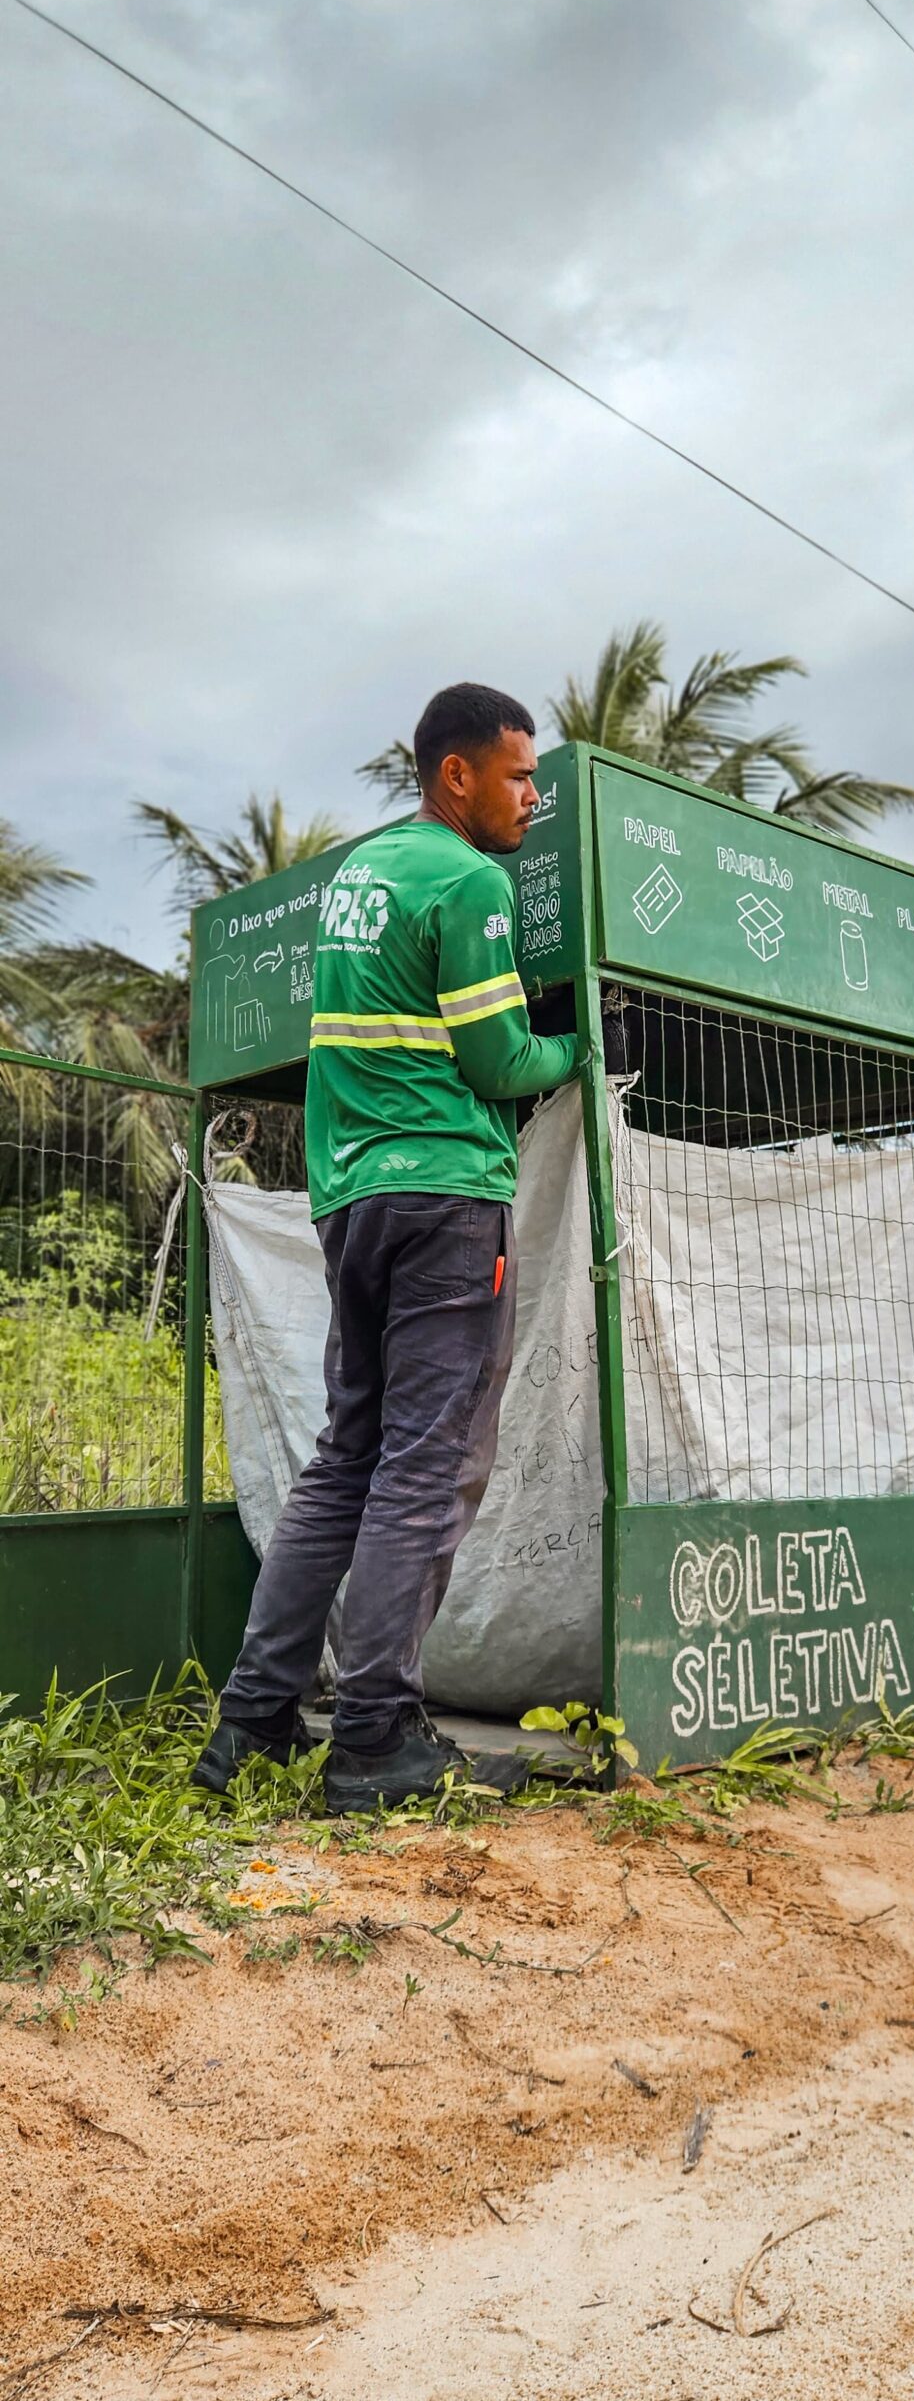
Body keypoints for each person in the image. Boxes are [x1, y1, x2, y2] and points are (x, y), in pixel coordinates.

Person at [193, 683, 580, 1811]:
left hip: (350, 1199)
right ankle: (371, 1738)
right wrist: (579, 1046)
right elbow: (500, 1062)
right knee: (424, 1464)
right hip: (446, 1203)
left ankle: (252, 1720)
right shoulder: (469, 880)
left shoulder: (360, 876)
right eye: (516, 774)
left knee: (346, 1458)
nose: (530, 796)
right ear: (453, 774)